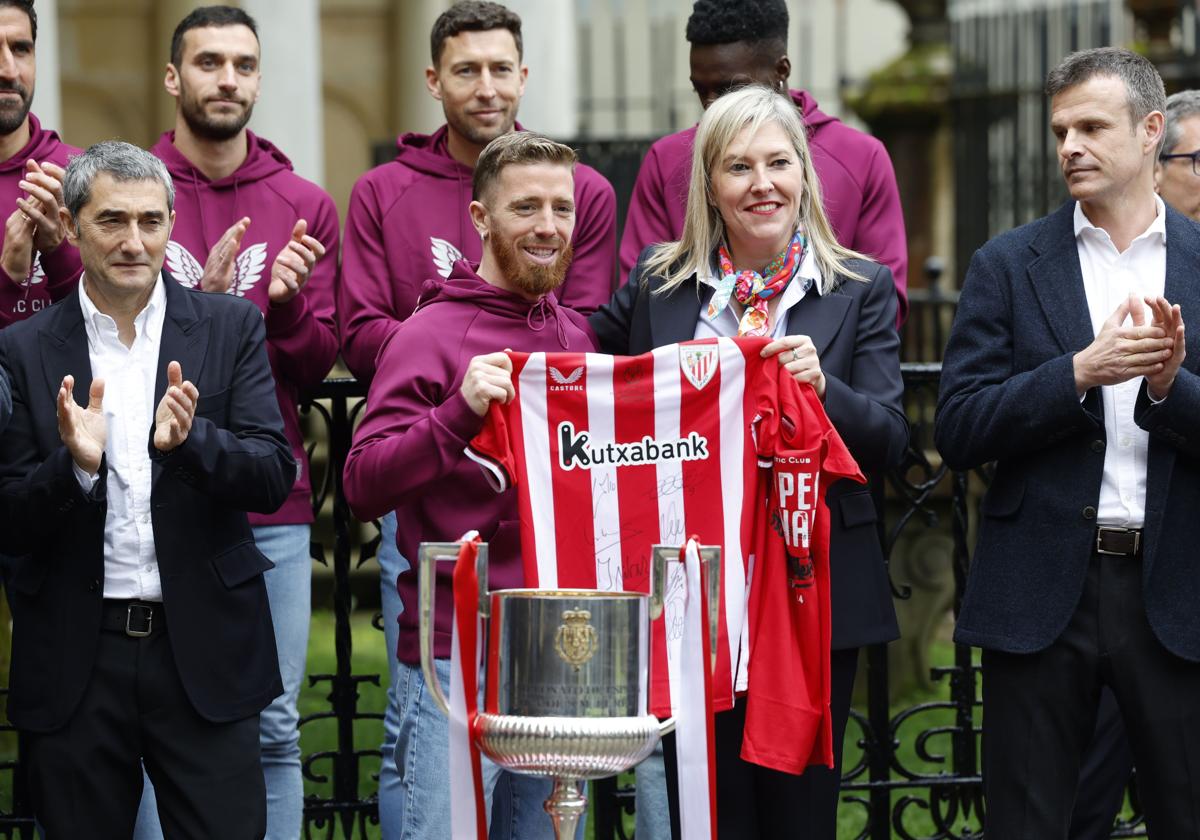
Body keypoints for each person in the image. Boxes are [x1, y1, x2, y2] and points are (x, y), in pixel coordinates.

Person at [591, 84, 907, 839]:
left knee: (800, 810)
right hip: (692, 585)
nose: (761, 184)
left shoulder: (860, 286)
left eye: (778, 162)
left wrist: (824, 390)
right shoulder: (660, 284)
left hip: (813, 584)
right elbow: (587, 376)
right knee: (708, 807)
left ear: (805, 174)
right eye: (738, 167)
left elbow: (892, 440)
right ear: (709, 185)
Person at [336, 4, 614, 832]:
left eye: (561, 210)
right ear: (482, 219)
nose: (548, 227)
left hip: (556, 644)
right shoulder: (427, 334)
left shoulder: (577, 338)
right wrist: (457, 414)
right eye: (526, 208)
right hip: (455, 648)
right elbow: (359, 482)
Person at [936, 47, 1200, 838]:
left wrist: (1166, 388)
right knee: (1026, 822)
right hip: (1042, 588)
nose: (1069, 148)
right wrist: (1076, 373)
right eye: (1059, 131)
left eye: (1090, 126)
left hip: (1178, 587)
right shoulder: (1008, 264)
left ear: (1151, 130)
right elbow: (959, 428)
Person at [0, 140, 294, 838]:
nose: (135, 242)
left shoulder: (230, 327)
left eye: (151, 221)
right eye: (112, 221)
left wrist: (192, 442)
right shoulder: (24, 347)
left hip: (203, 652)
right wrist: (72, 467)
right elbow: (8, 517)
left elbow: (273, 474)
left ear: (169, 224)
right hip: (78, 653)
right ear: (70, 227)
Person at [126, 7, 339, 839]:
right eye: (209, 62)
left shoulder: (303, 203)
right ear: (175, 79)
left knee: (275, 725)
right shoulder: (133, 194)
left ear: (258, 78)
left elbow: (317, 366)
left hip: (267, 511)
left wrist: (281, 310)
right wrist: (200, 312)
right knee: (147, 724)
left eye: (243, 64)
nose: (227, 79)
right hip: (148, 497)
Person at [619, 0, 907, 325]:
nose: (713, 107)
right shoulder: (667, 158)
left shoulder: (860, 156)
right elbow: (641, 300)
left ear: (781, 71)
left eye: (731, 89)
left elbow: (884, 308)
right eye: (701, 90)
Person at [0, 0, 81, 328]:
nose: (8, 69)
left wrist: (59, 254)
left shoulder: (81, 174)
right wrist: (8, 279)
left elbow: (117, 331)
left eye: (21, 49)